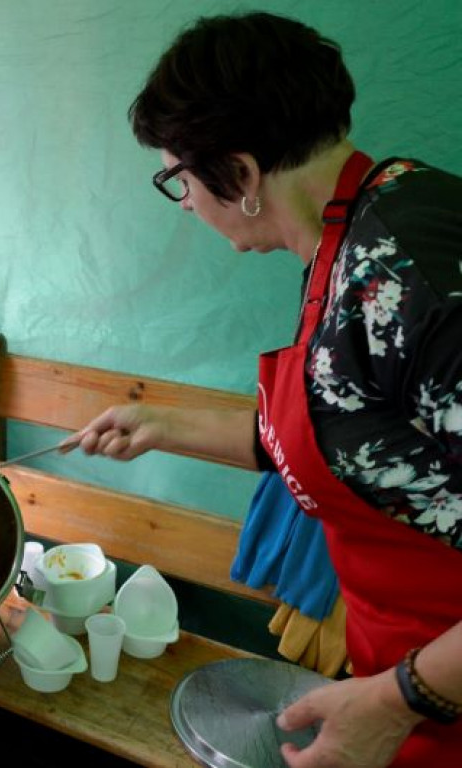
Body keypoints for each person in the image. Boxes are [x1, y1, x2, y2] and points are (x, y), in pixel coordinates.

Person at [74, 12, 461, 768]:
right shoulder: (355, 226)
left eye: (178, 178)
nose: (184, 201)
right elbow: (356, 432)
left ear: (242, 174)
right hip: (403, 676)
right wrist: (161, 425)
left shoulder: (410, 277)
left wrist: (394, 703)